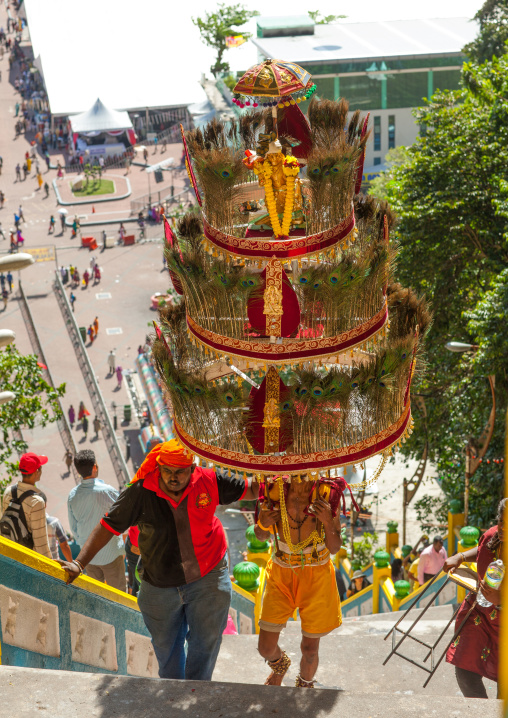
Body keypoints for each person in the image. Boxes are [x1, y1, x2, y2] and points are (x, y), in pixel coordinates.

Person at [58, 439, 259, 679]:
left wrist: (282, 475)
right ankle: (173, 694)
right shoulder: (141, 492)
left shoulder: (208, 480)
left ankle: (196, 691)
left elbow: (252, 489)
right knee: (167, 651)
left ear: (192, 469)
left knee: (205, 643)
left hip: (208, 577)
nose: (173, 478)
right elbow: (107, 526)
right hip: (159, 585)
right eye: (167, 471)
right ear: (158, 467)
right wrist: (79, 563)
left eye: (180, 472)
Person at [254, 476, 343, 687]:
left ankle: (305, 684)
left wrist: (328, 521)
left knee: (310, 650)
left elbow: (335, 547)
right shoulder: (273, 490)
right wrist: (262, 523)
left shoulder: (326, 493)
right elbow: (259, 535)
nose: (301, 470)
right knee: (266, 648)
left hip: (317, 574)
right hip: (281, 572)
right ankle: (280, 664)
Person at [445, 498, 506, 699]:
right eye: (502, 521)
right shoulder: (494, 535)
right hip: (480, 614)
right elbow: (483, 549)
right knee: (464, 671)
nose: (504, 528)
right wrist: (460, 557)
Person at [66, 450, 126, 591]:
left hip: (88, 558)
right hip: (111, 554)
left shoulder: (73, 496)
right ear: (94, 467)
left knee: (96, 594)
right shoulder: (108, 491)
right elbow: (124, 519)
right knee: (118, 596)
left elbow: (74, 528)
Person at [0, 452, 52, 558]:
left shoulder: (8, 492)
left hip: (10, 553)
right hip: (27, 558)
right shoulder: (36, 502)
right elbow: (40, 541)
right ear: (37, 472)